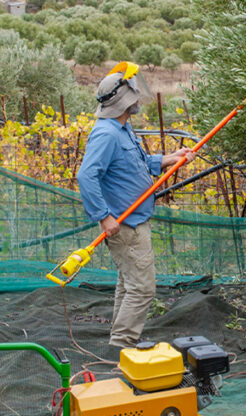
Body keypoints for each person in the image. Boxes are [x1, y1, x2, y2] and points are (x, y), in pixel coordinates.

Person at [76, 62, 196, 348]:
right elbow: (86, 176)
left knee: (128, 284)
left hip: (136, 219)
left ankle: (118, 341)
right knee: (142, 289)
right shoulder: (106, 134)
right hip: (126, 225)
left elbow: (139, 165)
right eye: (134, 93)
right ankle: (123, 347)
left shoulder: (123, 128)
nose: (138, 98)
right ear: (123, 100)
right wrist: (104, 217)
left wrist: (170, 158)